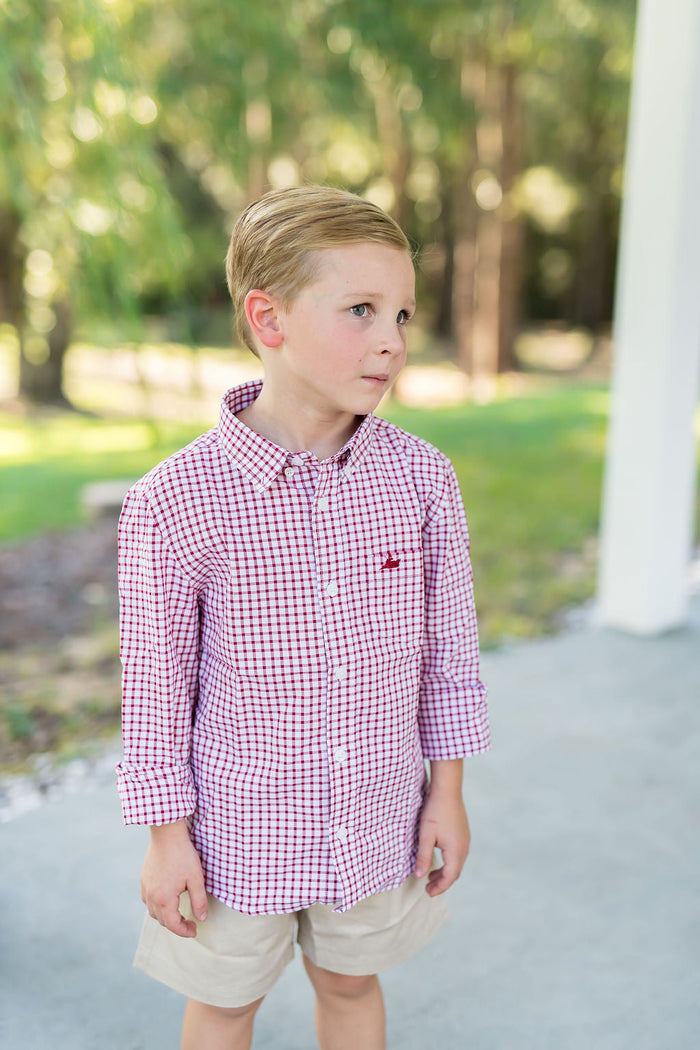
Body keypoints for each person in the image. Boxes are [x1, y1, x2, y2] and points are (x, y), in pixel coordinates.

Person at [117, 184, 490, 1050]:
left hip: (377, 817)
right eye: (360, 310)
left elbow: (448, 654)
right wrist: (166, 838)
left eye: (401, 312)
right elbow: (157, 687)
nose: (392, 340)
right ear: (269, 318)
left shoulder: (422, 481)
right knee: (223, 1007)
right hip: (235, 833)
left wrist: (449, 793)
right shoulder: (175, 503)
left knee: (352, 985)